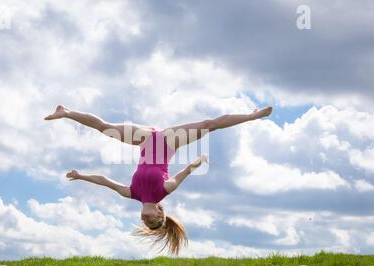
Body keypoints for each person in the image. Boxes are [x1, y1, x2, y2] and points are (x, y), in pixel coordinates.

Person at [45, 104, 273, 254]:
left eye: (146, 223)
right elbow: (185, 172)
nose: (146, 220)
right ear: (160, 213)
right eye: (153, 221)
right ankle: (253, 115)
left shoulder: (132, 194)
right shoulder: (165, 190)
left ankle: (65, 112)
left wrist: (80, 176)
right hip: (167, 140)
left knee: (107, 129)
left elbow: (105, 181)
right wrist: (199, 160)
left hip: (145, 140)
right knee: (207, 125)